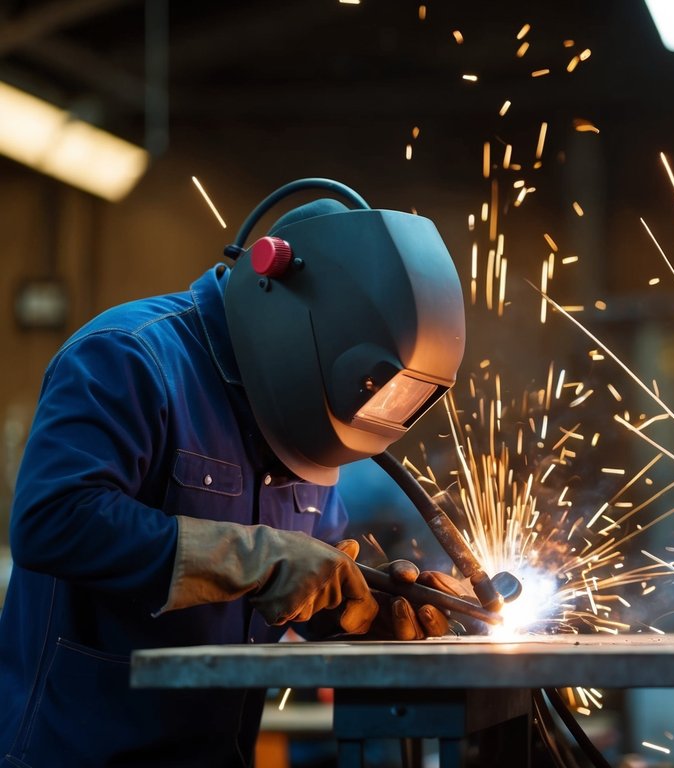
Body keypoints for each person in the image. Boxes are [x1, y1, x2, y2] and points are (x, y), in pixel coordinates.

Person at [0, 180, 471, 765]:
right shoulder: (127, 357)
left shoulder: (303, 420)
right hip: (80, 751)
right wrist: (255, 557)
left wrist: (366, 605)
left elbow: (296, 586)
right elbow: (53, 521)